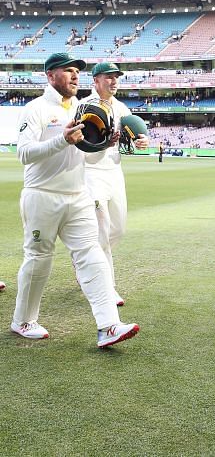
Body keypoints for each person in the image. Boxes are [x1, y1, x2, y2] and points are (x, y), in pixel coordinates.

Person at [11, 52, 138, 347]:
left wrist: (104, 145)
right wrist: (61, 140)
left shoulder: (84, 108)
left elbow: (88, 160)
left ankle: (108, 326)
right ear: (50, 75)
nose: (74, 76)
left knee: (92, 255)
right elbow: (24, 153)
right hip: (43, 196)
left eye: (77, 71)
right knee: (39, 260)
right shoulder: (36, 109)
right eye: (67, 71)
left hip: (78, 195)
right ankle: (23, 320)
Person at [82, 62, 149, 307]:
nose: (114, 81)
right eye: (108, 77)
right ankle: (106, 286)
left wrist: (141, 140)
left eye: (116, 77)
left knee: (117, 229)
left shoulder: (121, 107)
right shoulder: (85, 106)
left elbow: (133, 134)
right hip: (91, 172)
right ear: (96, 81)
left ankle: (86, 261)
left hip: (114, 172)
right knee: (102, 230)